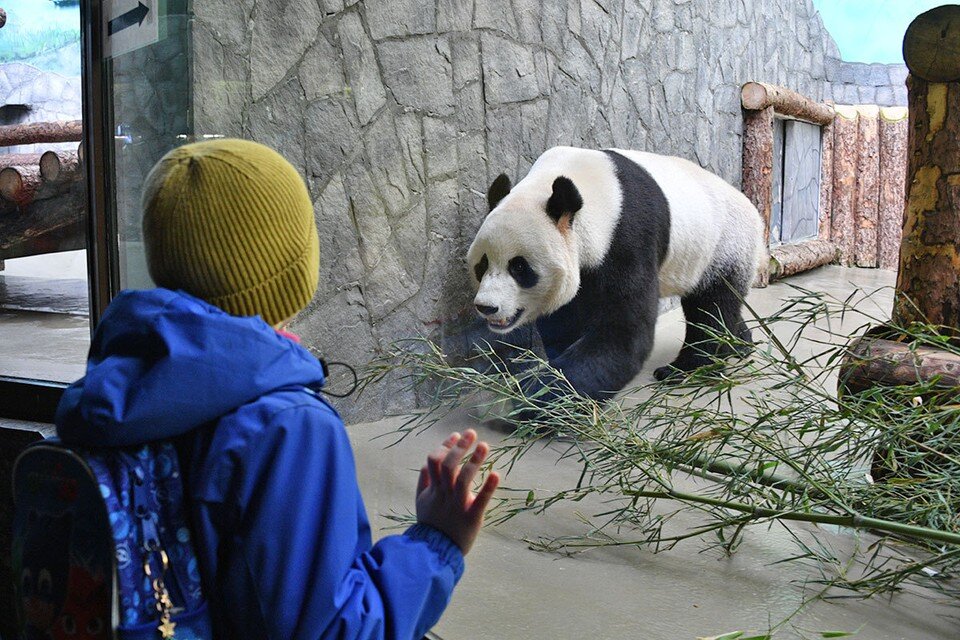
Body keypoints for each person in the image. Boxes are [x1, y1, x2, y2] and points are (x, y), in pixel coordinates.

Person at [55, 139, 500, 639]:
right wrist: (436, 544)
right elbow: (332, 630)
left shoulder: (112, 388)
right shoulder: (287, 426)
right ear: (293, 269)